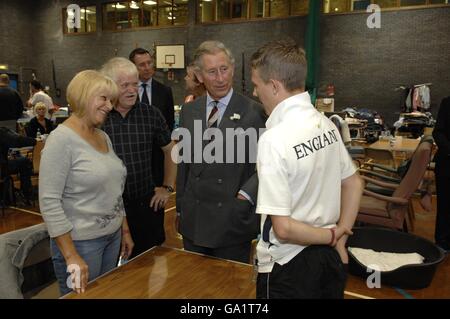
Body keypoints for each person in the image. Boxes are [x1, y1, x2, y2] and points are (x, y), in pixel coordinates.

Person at [250, 39, 363, 299]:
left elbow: (284, 229)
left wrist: (334, 234)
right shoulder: (326, 124)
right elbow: (354, 183)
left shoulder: (274, 139)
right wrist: (339, 239)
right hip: (328, 259)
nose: (255, 93)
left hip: (288, 268)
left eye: (257, 85)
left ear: (275, 86)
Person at [39, 70, 134, 296]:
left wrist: (125, 229)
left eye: (111, 100)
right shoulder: (61, 140)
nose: (109, 106)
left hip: (112, 238)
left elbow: (114, 190)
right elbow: (49, 202)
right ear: (83, 96)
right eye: (103, 98)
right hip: (81, 244)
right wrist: (71, 256)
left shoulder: (102, 136)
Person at [175, 40, 266, 263]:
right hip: (194, 220)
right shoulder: (189, 111)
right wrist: (180, 208)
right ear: (199, 75)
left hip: (232, 221)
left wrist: (246, 195)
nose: (220, 78)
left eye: (224, 69)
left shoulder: (254, 111)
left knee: (230, 288)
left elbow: (268, 163)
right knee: (195, 284)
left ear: (233, 69)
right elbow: (184, 164)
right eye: (212, 72)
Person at [100, 57, 176, 258]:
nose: (132, 90)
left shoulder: (150, 114)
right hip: (107, 208)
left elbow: (170, 150)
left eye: (135, 84)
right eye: (125, 85)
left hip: (145, 205)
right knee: (110, 272)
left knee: (147, 264)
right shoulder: (98, 117)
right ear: (109, 86)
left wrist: (167, 187)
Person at [129, 48, 175, 190]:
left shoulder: (165, 91)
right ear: (133, 67)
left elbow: (169, 123)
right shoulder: (125, 92)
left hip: (158, 157)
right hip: (132, 157)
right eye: (142, 65)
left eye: (149, 63)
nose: (147, 67)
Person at [0, 126, 35, 206]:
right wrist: (34, 141)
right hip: (2, 168)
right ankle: (26, 195)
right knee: (24, 161)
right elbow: (17, 141)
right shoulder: (2, 132)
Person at [433, 96, 450, 252]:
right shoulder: (447, 102)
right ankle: (442, 242)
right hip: (447, 163)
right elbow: (437, 132)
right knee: (445, 204)